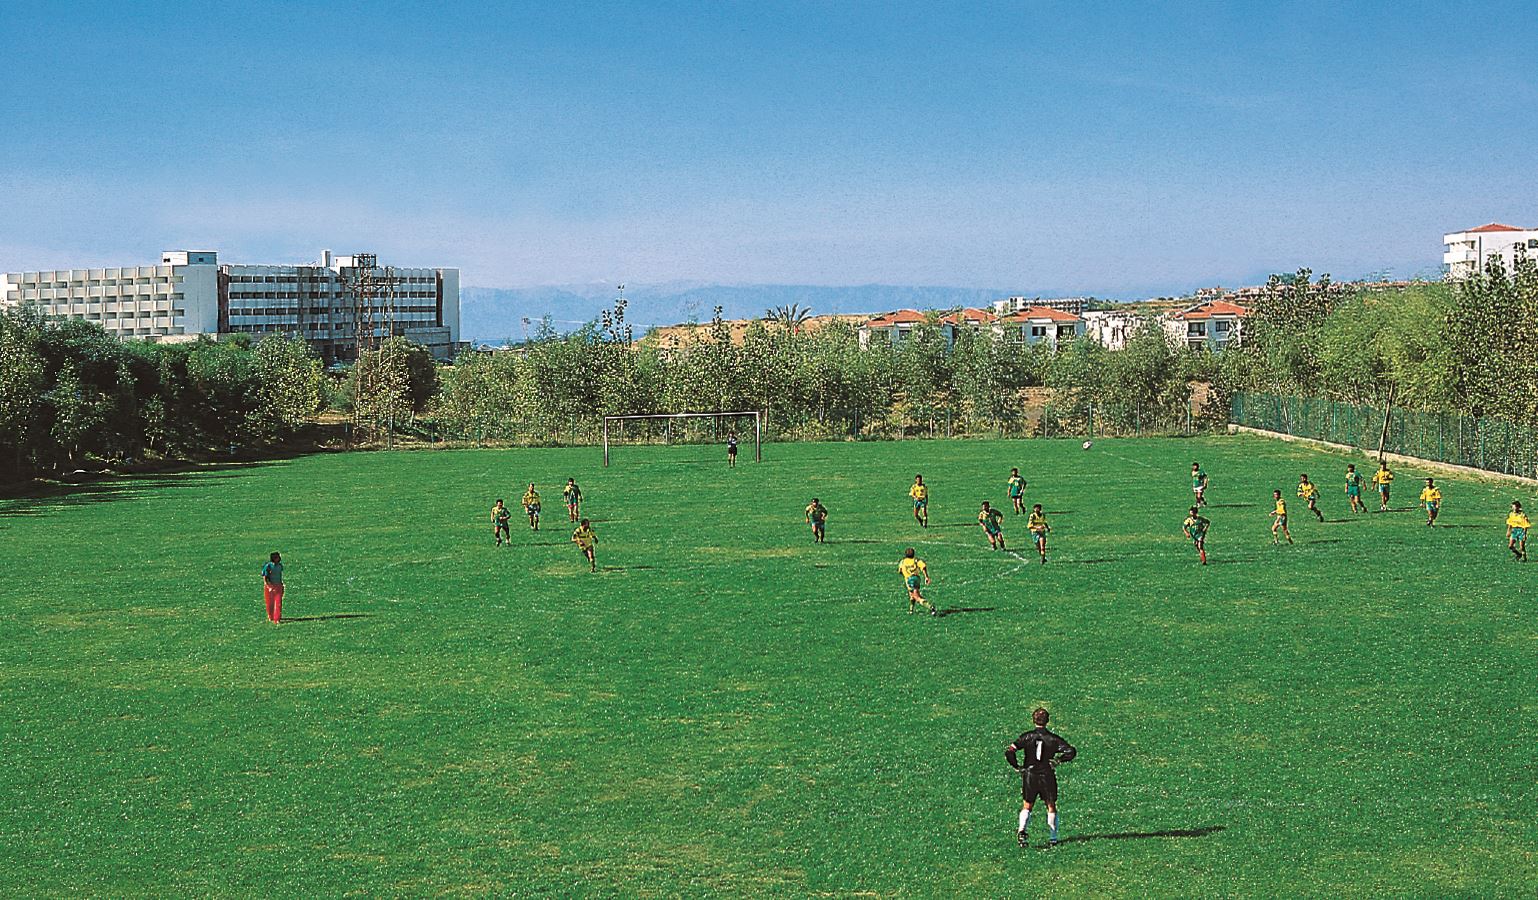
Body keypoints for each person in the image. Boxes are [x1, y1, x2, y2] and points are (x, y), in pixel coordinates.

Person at [1005, 707, 1077, 849]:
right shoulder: (1053, 739)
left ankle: (1022, 830)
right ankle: (1053, 838)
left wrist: (1017, 766)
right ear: (1047, 721)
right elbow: (1071, 751)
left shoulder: (1027, 737)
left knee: (1027, 805)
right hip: (1046, 775)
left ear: (1033, 720)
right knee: (1051, 805)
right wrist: (1058, 760)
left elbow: (1010, 751)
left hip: (1030, 775)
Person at [899, 548, 934, 615]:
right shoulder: (916, 560)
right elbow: (923, 567)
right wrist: (926, 577)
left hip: (909, 580)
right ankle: (911, 610)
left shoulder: (903, 562)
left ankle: (930, 607)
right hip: (917, 578)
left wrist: (905, 573)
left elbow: (900, 571)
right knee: (912, 595)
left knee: (917, 597)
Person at [261, 552, 284, 624]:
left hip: (278, 586)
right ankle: (271, 616)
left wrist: (281, 584)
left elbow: (280, 575)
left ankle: (277, 618)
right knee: (270, 603)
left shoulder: (280, 566)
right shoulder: (268, 566)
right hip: (270, 587)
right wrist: (268, 586)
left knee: (278, 602)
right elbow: (265, 576)